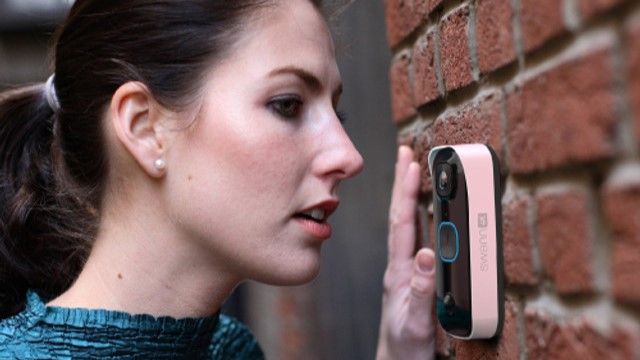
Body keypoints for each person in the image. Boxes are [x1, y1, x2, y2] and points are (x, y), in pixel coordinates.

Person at [0, 0, 436, 358]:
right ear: (144, 128)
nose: (348, 156)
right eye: (288, 104)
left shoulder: (232, 351)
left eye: (336, 114)